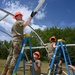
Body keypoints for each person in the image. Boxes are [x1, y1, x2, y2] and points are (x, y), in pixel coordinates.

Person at [1, 11, 37, 75]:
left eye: (21, 15)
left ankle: (4, 72)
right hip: (18, 40)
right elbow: (26, 24)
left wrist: (17, 30)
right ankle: (10, 72)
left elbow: (11, 32)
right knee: (15, 56)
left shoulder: (14, 24)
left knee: (10, 56)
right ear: (16, 17)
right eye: (19, 16)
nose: (21, 16)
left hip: (13, 40)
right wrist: (31, 17)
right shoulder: (20, 21)